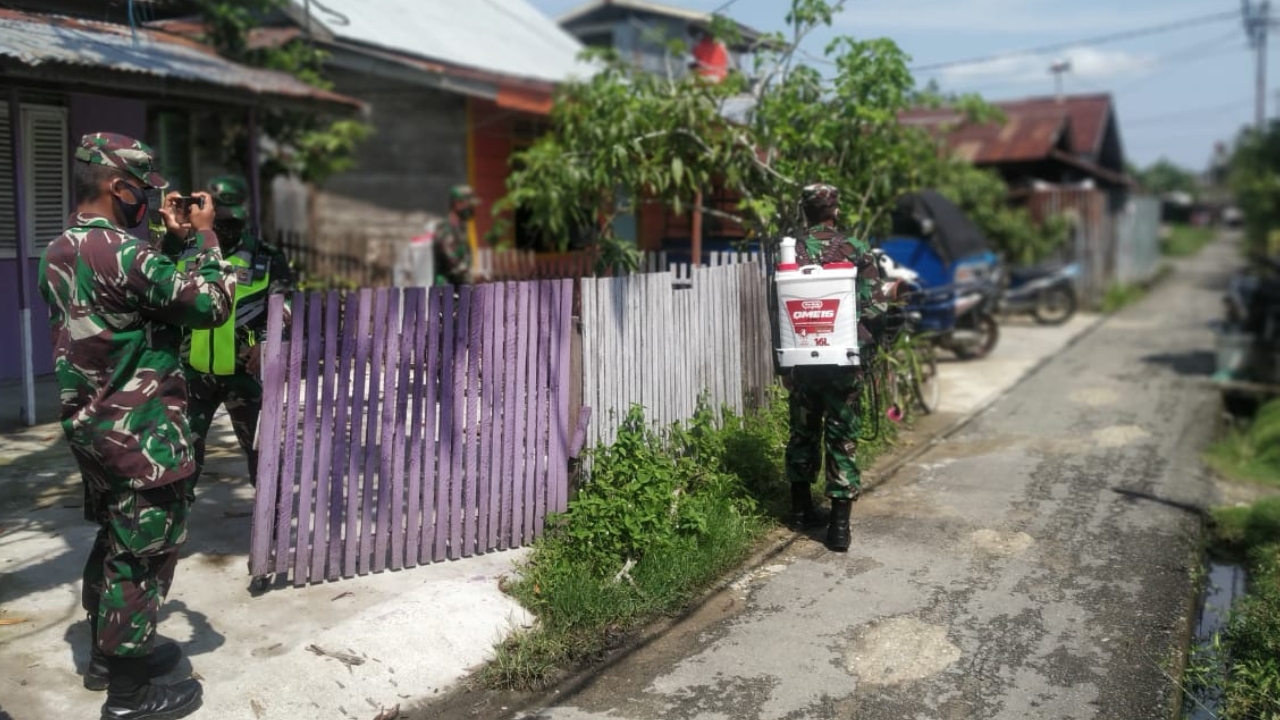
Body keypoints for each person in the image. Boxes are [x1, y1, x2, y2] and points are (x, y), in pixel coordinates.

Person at [38, 132, 236, 719]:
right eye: (141, 191)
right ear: (119, 186)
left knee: (115, 539)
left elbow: (131, 294)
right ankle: (129, 696)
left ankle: (106, 657)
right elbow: (211, 304)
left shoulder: (61, 250)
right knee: (143, 555)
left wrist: (163, 240)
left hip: (93, 429)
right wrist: (203, 235)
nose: (148, 201)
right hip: (141, 433)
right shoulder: (128, 256)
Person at [174, 175, 292, 595]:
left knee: (262, 455)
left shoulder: (266, 256)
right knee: (183, 453)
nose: (226, 228)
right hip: (193, 374)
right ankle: (170, 534)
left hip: (245, 376)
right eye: (219, 218)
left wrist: (266, 343)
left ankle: (272, 534)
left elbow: (285, 310)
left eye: (232, 220)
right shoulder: (184, 251)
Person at [784, 183, 899, 552]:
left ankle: (801, 512)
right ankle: (838, 529)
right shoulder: (856, 249)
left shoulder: (790, 250)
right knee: (841, 438)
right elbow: (874, 308)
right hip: (844, 362)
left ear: (806, 212)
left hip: (801, 359)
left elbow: (778, 307)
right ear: (834, 210)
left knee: (803, 432)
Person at [434, 184, 480, 286]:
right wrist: (474, 277)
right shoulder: (446, 230)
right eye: (469, 205)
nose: (471, 209)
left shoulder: (461, 228)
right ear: (457, 204)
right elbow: (453, 265)